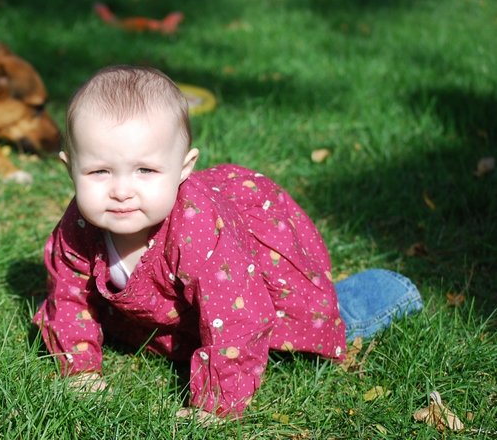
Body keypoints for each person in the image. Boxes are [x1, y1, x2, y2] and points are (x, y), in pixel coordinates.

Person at [33, 65, 422, 421]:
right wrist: (79, 369)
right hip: (173, 316)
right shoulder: (79, 225)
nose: (121, 190)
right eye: (100, 171)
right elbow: (68, 297)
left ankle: (390, 291)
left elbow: (239, 318)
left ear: (184, 168)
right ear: (70, 168)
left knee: (315, 322)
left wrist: (215, 403)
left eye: (145, 170)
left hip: (252, 296)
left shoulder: (197, 228)